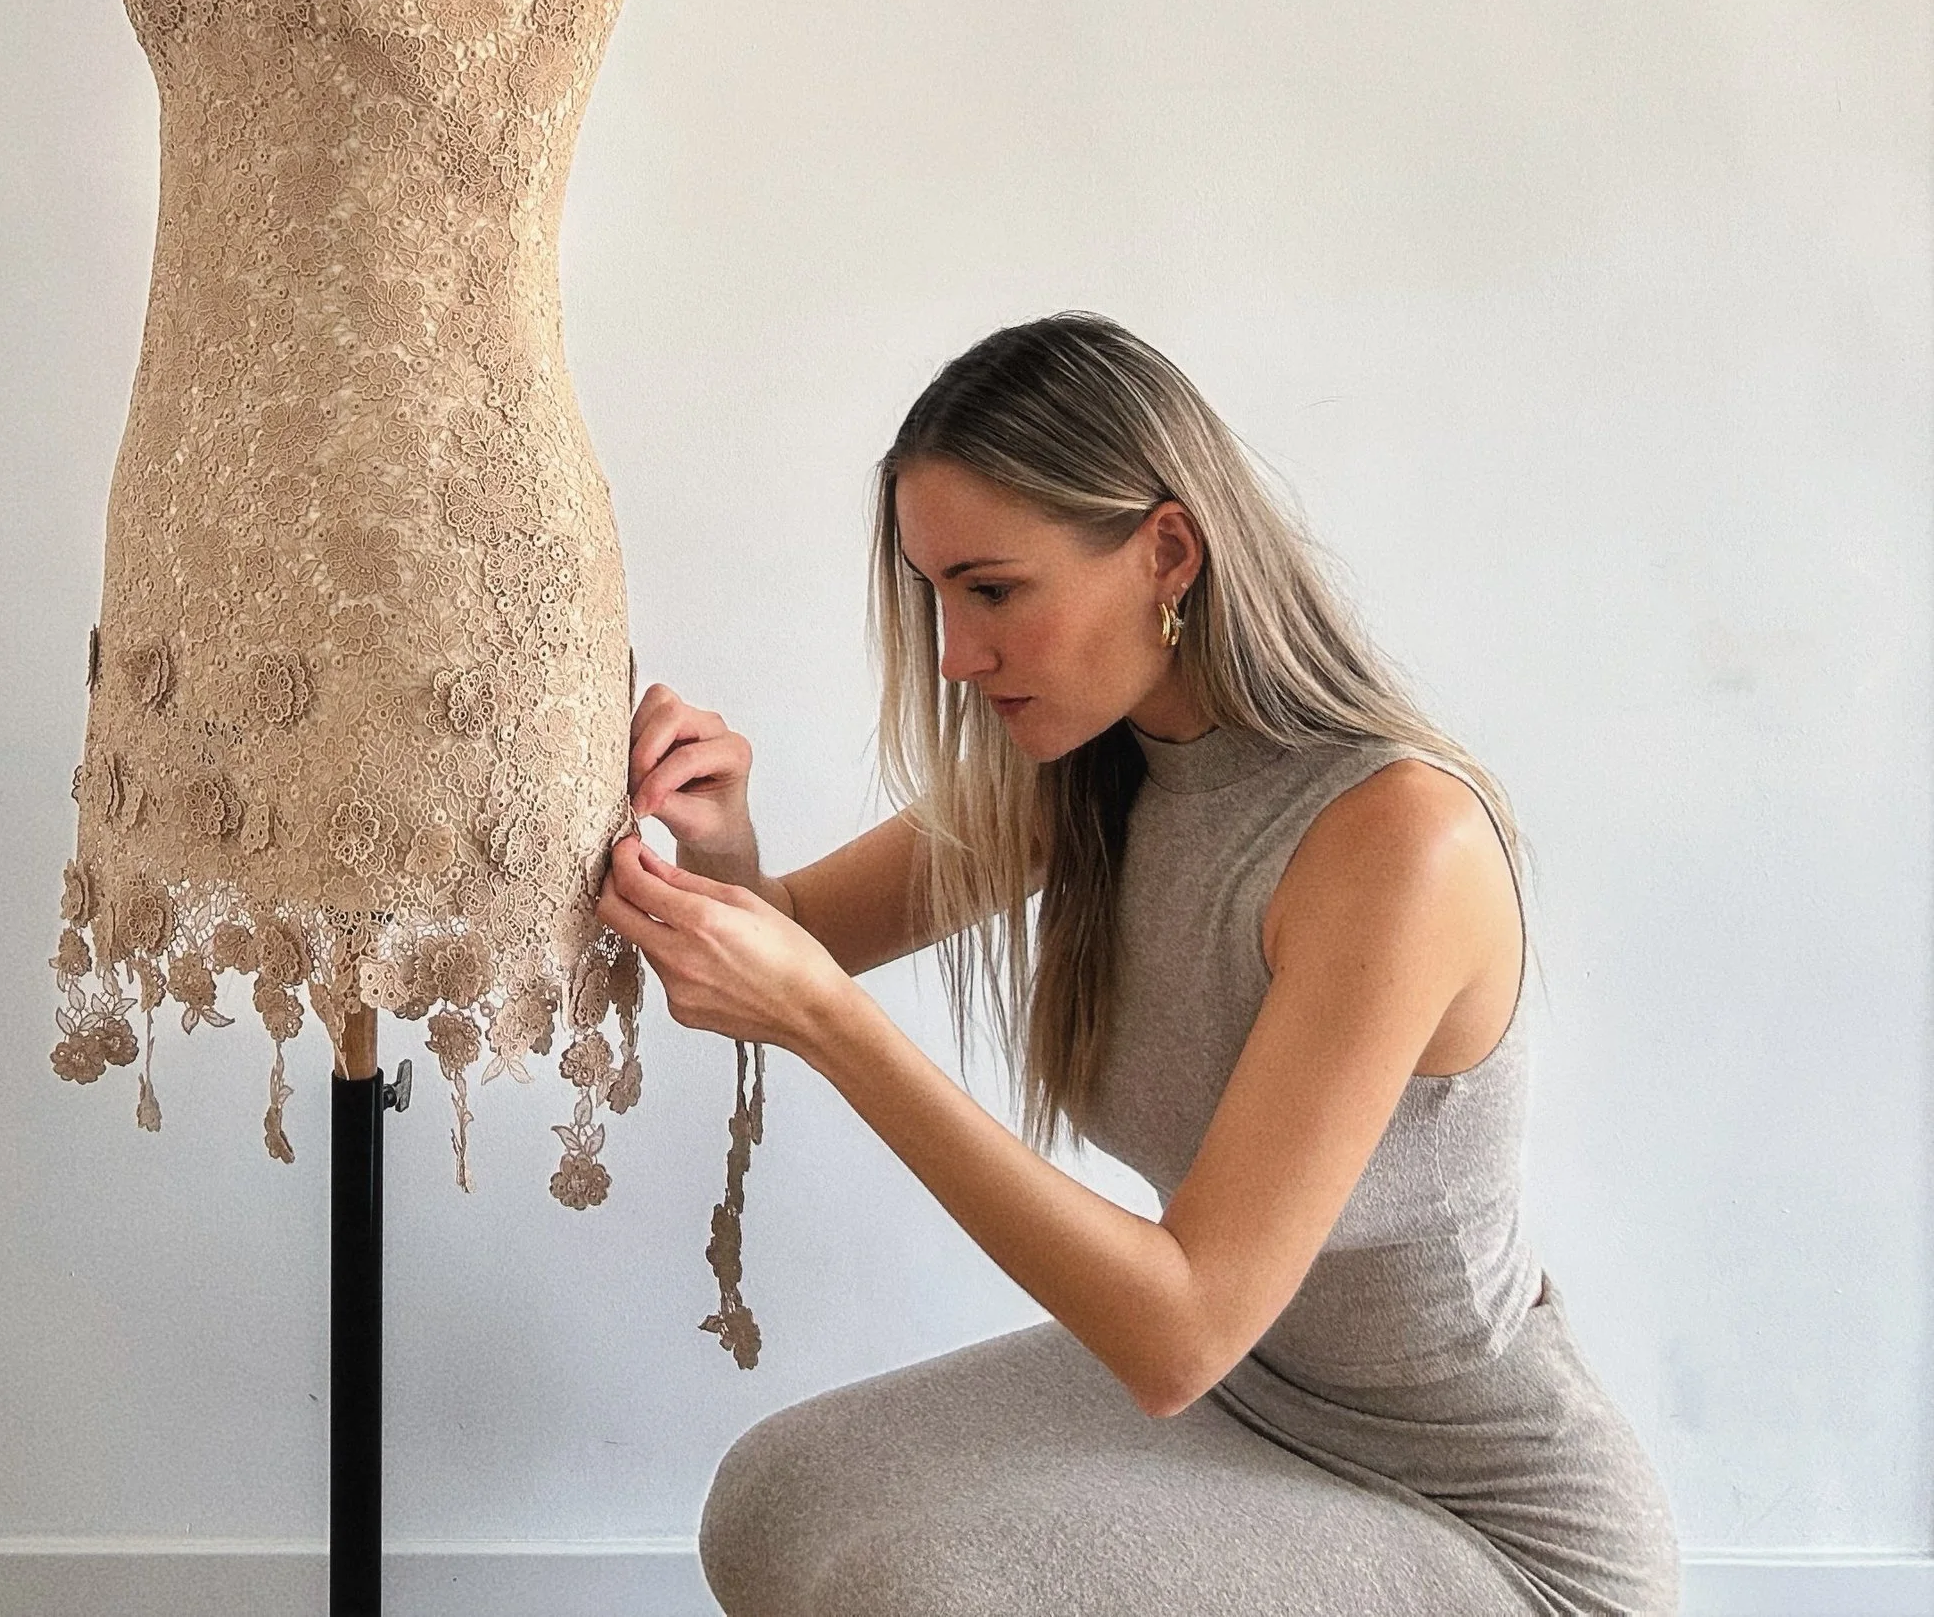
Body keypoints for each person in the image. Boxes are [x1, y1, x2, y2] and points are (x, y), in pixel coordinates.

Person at [597, 312, 1681, 1617]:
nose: (953, 651)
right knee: (777, 1491)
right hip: (1251, 1398)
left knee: (922, 1589)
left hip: (1486, 1518)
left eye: (993, 590)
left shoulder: (1398, 841)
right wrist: (722, 837)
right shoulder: (1092, 766)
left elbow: (1177, 1333)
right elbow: (788, 943)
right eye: (935, 591)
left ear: (1166, 549)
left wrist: (835, 1027)